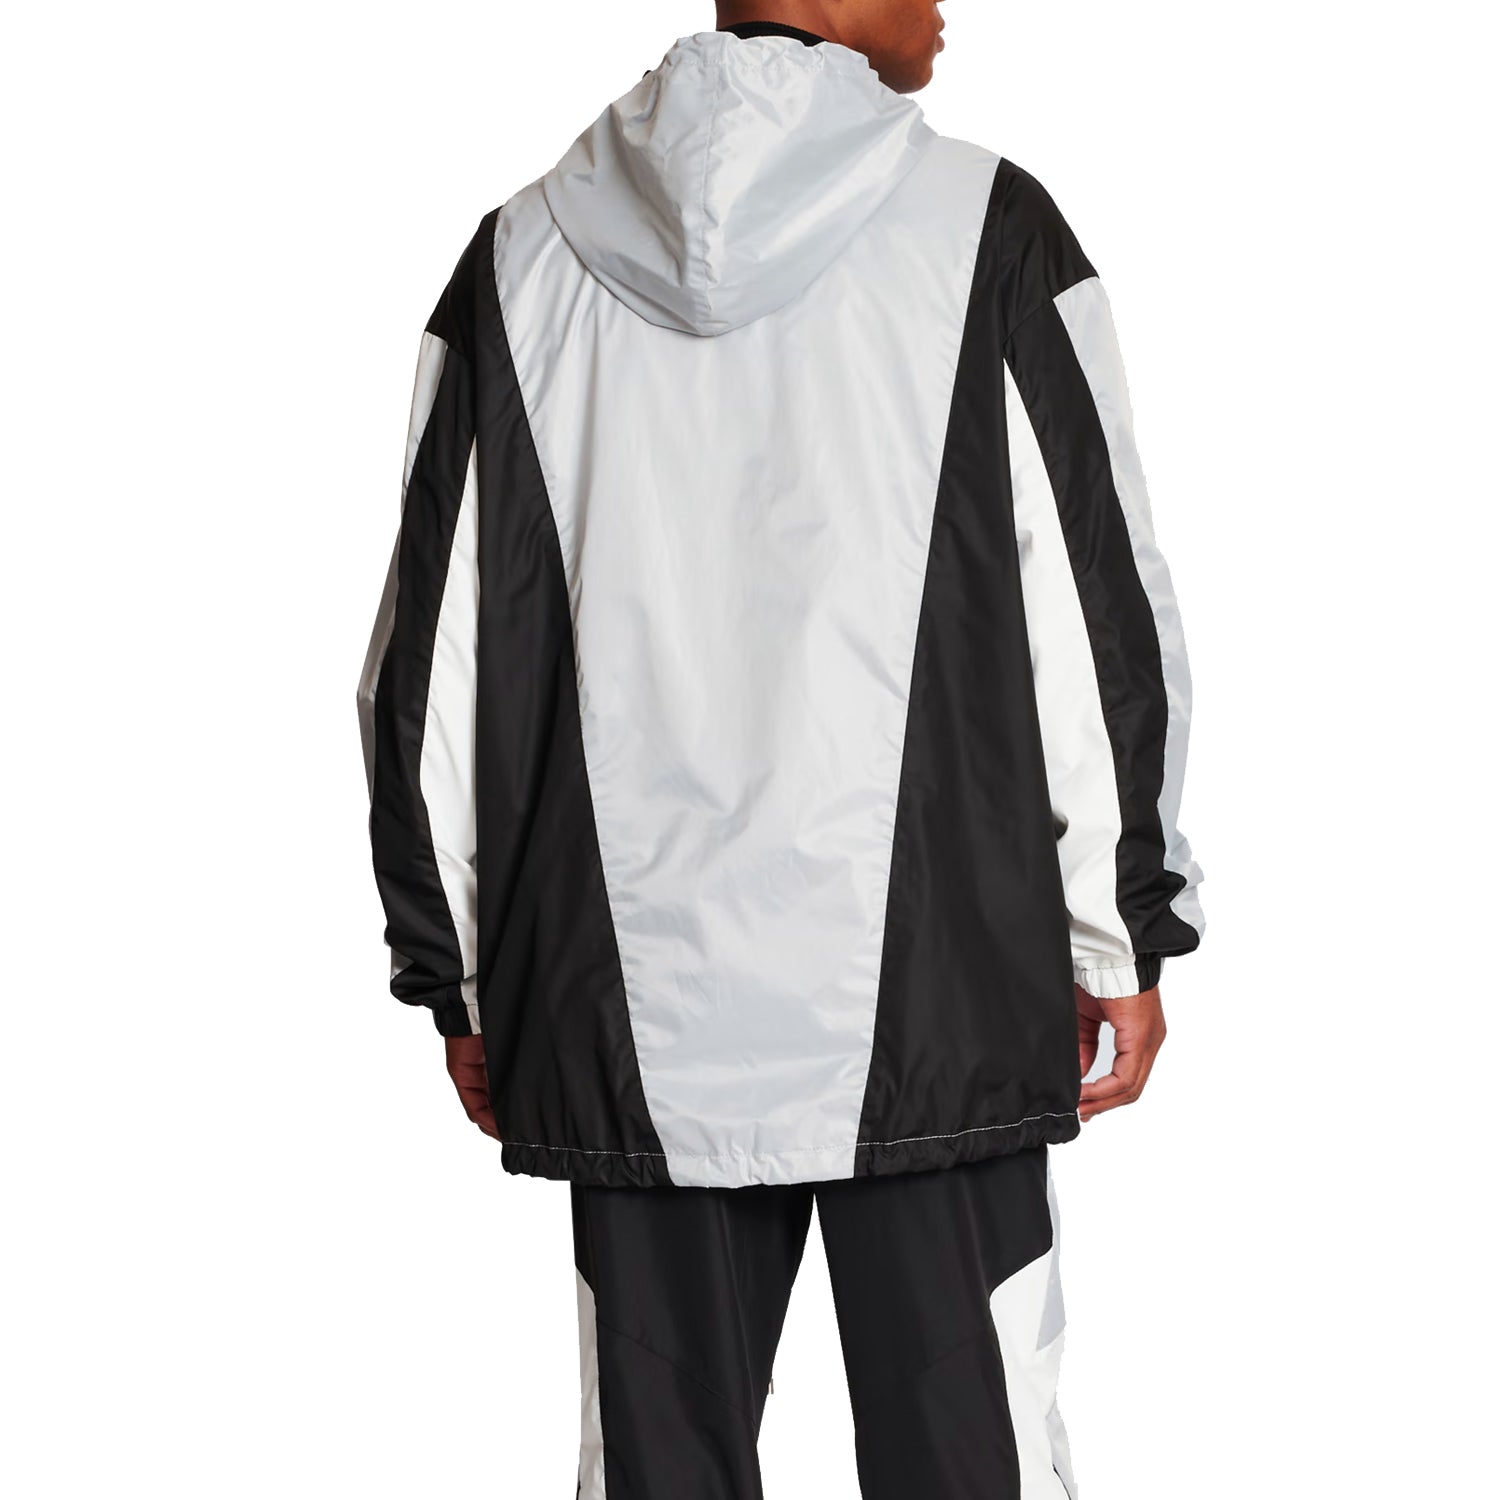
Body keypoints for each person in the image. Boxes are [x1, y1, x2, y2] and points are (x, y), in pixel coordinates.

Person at [356, 3, 1205, 1494]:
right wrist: (1119, 930)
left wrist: (464, 973)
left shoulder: (519, 257)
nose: (945, 9)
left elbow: (426, 665)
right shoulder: (987, 228)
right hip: (938, 986)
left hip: (626, 1006)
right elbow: (1092, 612)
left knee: (658, 1472)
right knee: (973, 1464)